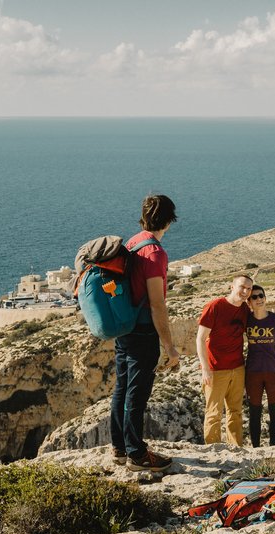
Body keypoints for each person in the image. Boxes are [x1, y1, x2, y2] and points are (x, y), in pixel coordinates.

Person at [110, 194, 179, 472]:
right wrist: (169, 346)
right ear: (169, 221)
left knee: (122, 388)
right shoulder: (154, 253)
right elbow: (157, 304)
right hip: (143, 332)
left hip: (125, 328)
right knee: (136, 394)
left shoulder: (133, 242)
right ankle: (137, 455)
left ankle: (119, 448)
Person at [197, 275, 252, 445]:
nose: (245, 291)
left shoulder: (244, 309)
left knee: (235, 412)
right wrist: (205, 368)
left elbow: (261, 320)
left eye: (249, 289)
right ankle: (213, 451)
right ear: (232, 287)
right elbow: (200, 339)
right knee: (213, 413)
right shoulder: (215, 306)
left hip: (238, 368)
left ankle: (236, 448)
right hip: (215, 369)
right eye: (242, 287)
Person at [244, 285, 275, 447]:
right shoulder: (247, 320)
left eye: (261, 296)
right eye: (254, 297)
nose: (258, 299)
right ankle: (256, 448)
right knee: (254, 412)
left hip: (274, 372)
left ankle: (273, 447)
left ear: (265, 298)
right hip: (253, 372)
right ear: (249, 302)